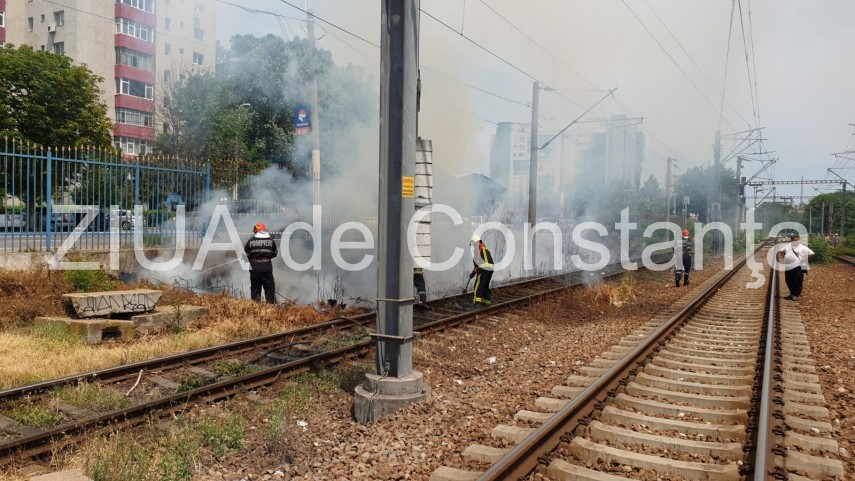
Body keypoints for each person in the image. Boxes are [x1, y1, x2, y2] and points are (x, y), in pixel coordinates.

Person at [244, 222, 278, 304]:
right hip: (267, 268)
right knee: (269, 289)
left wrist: (254, 259)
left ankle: (256, 308)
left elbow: (247, 253)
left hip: (254, 268)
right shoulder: (271, 241)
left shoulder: (250, 241)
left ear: (257, 231)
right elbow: (274, 253)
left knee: (255, 289)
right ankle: (270, 308)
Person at [777, 233, 814, 301]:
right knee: (788, 280)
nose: (795, 241)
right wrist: (785, 257)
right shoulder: (788, 246)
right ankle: (791, 293)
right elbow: (781, 251)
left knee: (797, 280)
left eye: (796, 239)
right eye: (793, 239)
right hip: (788, 266)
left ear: (799, 239)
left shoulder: (803, 247)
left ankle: (796, 294)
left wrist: (804, 258)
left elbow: (811, 253)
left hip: (798, 266)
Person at [469, 234, 494, 305]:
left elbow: (476, 262)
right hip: (491, 268)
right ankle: (487, 302)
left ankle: (476, 303)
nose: (472, 245)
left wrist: (473, 273)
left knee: (478, 286)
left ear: (474, 242)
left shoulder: (477, 246)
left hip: (484, 268)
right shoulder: (484, 248)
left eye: (472, 243)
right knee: (485, 285)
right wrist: (473, 273)